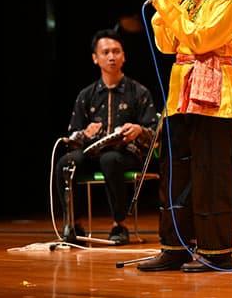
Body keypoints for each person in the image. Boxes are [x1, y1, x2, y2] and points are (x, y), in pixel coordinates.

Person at [137, 0, 232, 273]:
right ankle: (175, 246)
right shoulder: (193, 2)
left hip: (216, 101)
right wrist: (167, 8)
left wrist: (170, 6)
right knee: (175, 173)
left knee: (209, 175)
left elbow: (199, 42)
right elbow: (170, 45)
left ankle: (216, 252)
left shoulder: (226, 2)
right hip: (181, 98)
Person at [57, 29, 158, 245]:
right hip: (94, 152)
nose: (111, 57)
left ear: (124, 56)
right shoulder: (87, 95)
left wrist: (139, 131)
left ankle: (119, 225)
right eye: (105, 52)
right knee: (67, 162)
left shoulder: (139, 92)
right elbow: (71, 137)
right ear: (95, 58)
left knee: (110, 159)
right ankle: (73, 224)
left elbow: (155, 132)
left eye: (116, 51)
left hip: (125, 154)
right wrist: (85, 134)